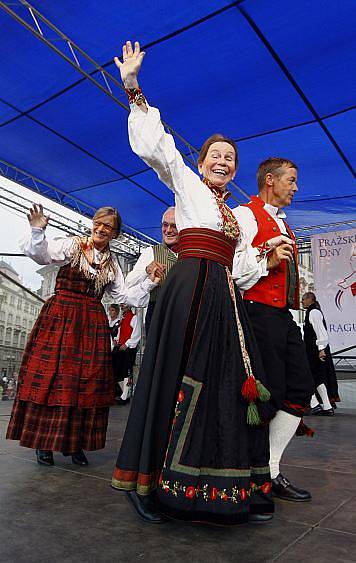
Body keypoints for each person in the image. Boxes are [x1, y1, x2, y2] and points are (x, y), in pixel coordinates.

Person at [111, 41, 274, 526]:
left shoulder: (238, 217)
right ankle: (144, 482)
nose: (223, 161)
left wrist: (263, 255)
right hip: (188, 288)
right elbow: (157, 147)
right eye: (215, 155)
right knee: (169, 378)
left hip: (222, 296)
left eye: (230, 157)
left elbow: (242, 268)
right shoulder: (187, 184)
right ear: (201, 161)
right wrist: (134, 87)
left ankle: (211, 485)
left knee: (223, 385)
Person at [7, 204, 159, 467]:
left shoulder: (111, 263)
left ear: (115, 233)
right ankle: (44, 443)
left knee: (85, 384)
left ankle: (74, 444)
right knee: (54, 379)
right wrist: (37, 231)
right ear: (93, 223)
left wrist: (150, 282)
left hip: (90, 323)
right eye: (99, 222)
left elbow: (123, 296)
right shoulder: (72, 246)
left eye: (108, 226)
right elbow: (40, 255)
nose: (101, 229)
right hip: (61, 318)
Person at [233, 158, 314, 502]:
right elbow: (234, 270)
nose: (296, 188)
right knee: (271, 392)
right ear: (270, 180)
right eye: (291, 180)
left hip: (282, 315)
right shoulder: (245, 215)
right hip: (256, 313)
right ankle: (259, 473)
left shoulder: (284, 224)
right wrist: (267, 260)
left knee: (301, 388)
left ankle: (270, 467)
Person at [126, 207, 178, 334]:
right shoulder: (151, 252)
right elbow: (128, 284)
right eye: (165, 225)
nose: (168, 230)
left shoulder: (190, 255)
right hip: (158, 314)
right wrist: (146, 270)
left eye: (174, 226)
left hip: (184, 315)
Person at [301, 292, 339, 414]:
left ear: (309, 299)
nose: (302, 302)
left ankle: (315, 404)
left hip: (315, 351)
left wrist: (321, 349)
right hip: (313, 350)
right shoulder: (311, 312)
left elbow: (321, 332)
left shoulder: (314, 312)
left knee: (309, 377)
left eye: (303, 299)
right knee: (317, 378)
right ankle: (326, 406)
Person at [112, 304, 141, 405]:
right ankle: (122, 393)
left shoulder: (134, 317)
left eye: (124, 305)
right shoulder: (123, 318)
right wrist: (117, 341)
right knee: (119, 370)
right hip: (121, 347)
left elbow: (137, 334)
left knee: (127, 371)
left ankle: (125, 396)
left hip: (129, 349)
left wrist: (127, 344)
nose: (122, 306)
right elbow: (121, 332)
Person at [108, 303, 122, 399]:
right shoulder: (108, 322)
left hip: (115, 348)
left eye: (112, 310)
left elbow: (119, 335)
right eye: (110, 310)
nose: (110, 312)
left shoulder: (118, 323)